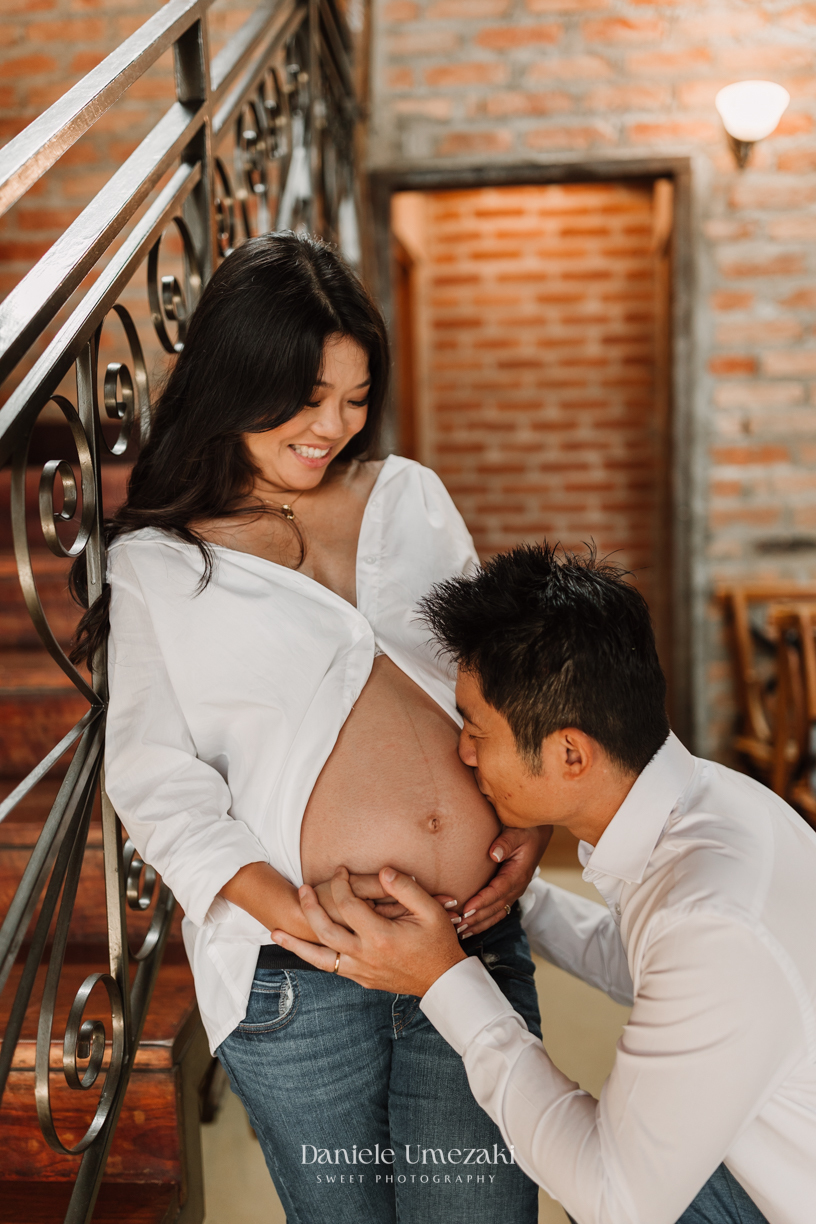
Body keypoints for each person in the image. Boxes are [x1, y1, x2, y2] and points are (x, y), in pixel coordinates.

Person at [72, 233, 549, 1223]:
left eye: (355, 395)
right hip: (305, 981)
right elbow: (158, 781)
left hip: (470, 945)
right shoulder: (161, 565)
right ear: (234, 379)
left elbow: (497, 684)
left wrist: (533, 820)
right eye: (306, 396)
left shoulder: (408, 496)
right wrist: (296, 916)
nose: (331, 425)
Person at [273, 543, 816, 1224]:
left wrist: (445, 980)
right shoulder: (722, 807)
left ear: (569, 753)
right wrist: (512, 896)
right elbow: (655, 969)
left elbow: (617, 1201)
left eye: (475, 727)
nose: (460, 750)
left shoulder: (711, 919)